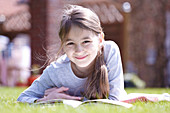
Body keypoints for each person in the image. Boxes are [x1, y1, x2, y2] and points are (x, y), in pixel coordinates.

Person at [17, 5, 127, 103]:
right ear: (63, 45)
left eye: (86, 41)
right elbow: (23, 98)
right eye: (70, 43)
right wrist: (46, 100)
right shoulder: (56, 71)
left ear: (100, 40)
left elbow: (115, 100)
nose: (79, 50)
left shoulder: (109, 50)